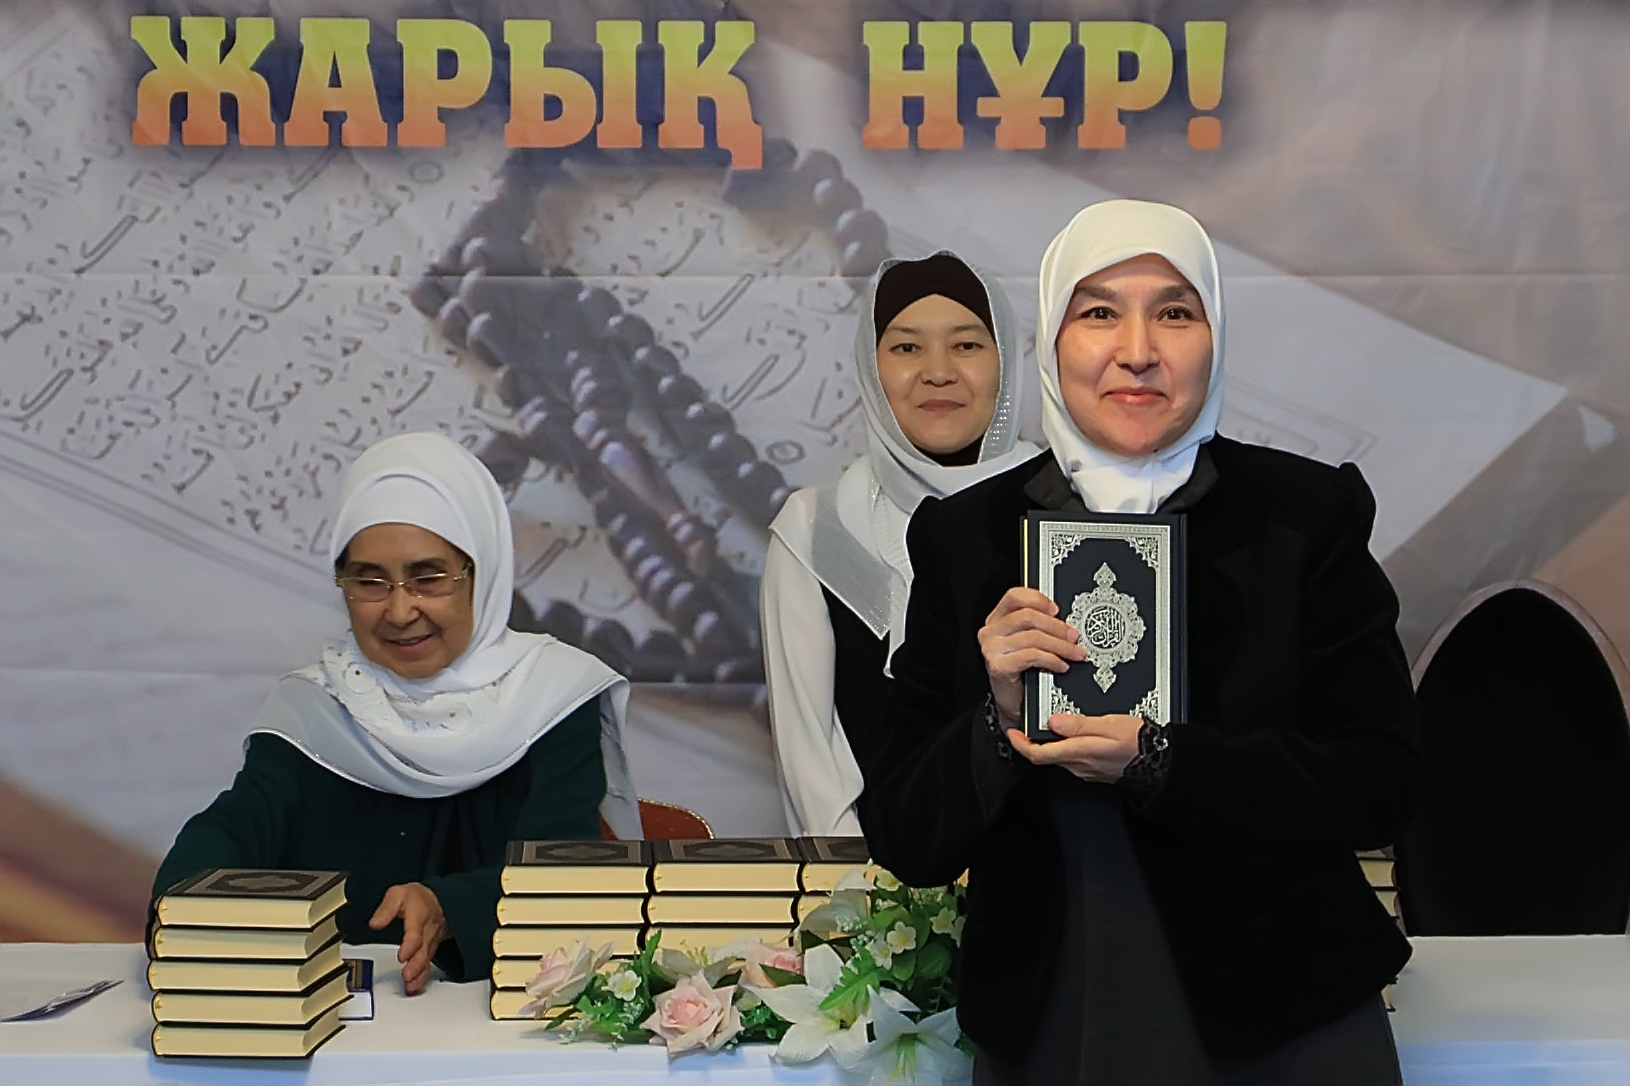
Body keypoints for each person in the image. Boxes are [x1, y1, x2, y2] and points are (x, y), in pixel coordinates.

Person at [856, 201, 1423, 1083]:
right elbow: (904, 834)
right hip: (1054, 1009)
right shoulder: (967, 538)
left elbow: (1382, 782)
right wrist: (995, 720)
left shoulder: (1304, 518)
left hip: (1283, 1015)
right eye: (1097, 312)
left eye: (1175, 312)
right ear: (1051, 341)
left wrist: (1166, 762)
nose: (1138, 350)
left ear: (1215, 336)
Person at [149, 432, 641, 993]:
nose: (401, 610)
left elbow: (567, 878)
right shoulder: (314, 707)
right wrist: (183, 904)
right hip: (339, 1027)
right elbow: (232, 830)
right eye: (369, 582)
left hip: (508, 1017)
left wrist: (449, 908)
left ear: (481, 573)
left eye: (428, 578)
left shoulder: (553, 695)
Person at [761, 252, 1038, 836]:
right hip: (877, 879)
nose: (938, 372)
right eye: (907, 347)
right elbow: (810, 755)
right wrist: (860, 886)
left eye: (966, 345)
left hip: (1046, 873)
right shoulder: (820, 527)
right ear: (871, 366)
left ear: (1006, 361)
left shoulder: (1061, 513)